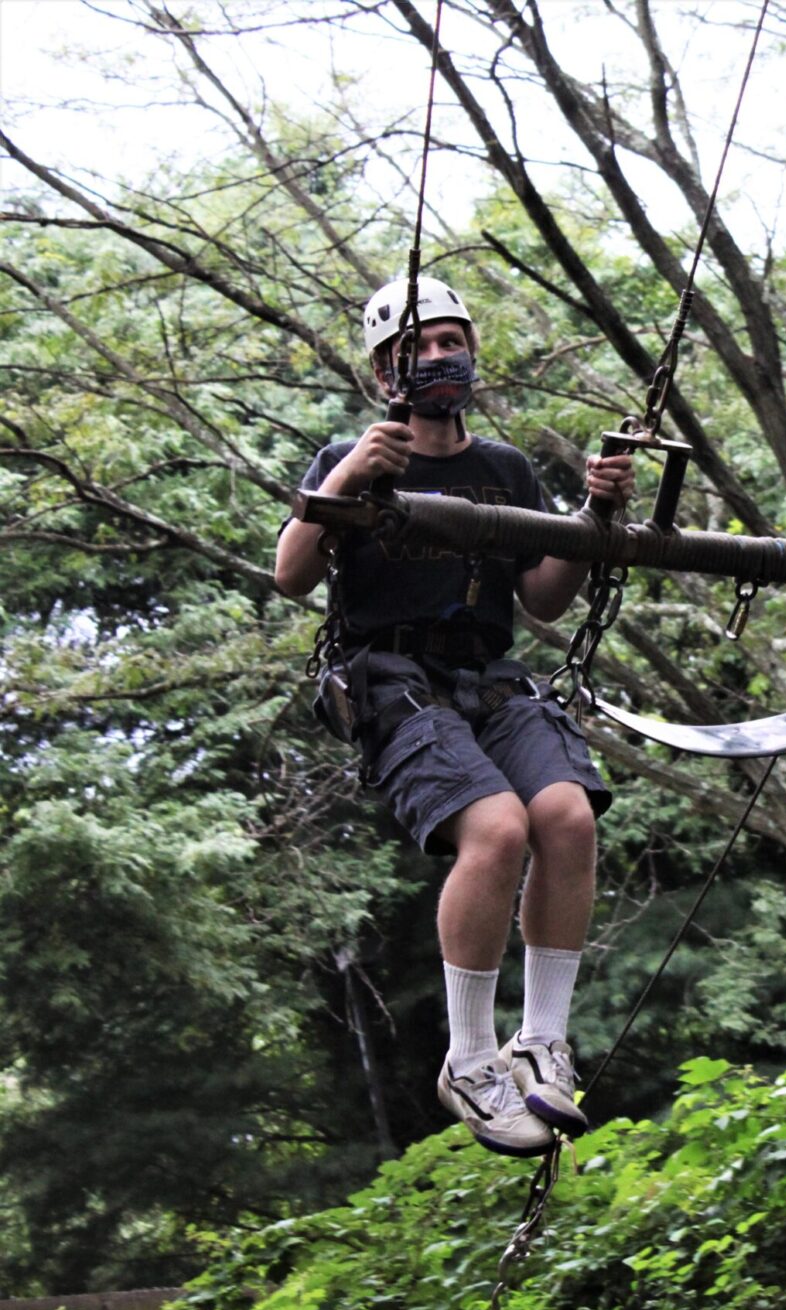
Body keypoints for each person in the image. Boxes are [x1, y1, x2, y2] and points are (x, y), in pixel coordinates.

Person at [273, 277, 636, 1158]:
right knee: (499, 831)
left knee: (567, 815)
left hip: (489, 675)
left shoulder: (504, 470)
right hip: (394, 678)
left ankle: (541, 1038)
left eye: (450, 341)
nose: (439, 358)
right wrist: (359, 472)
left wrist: (594, 517)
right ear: (381, 371)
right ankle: (470, 1056)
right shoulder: (348, 456)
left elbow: (544, 597)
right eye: (418, 346)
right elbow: (291, 572)